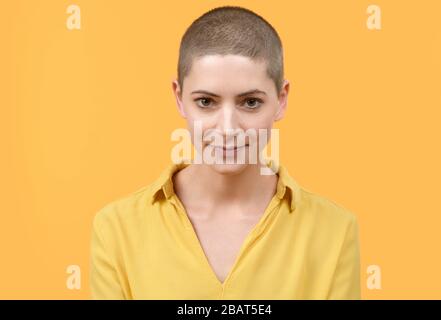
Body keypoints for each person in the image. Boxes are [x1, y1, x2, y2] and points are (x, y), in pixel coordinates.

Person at [90, 5, 361, 299]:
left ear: (281, 100)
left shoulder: (334, 231)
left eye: (250, 103)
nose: (229, 128)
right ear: (179, 98)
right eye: (206, 102)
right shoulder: (116, 228)